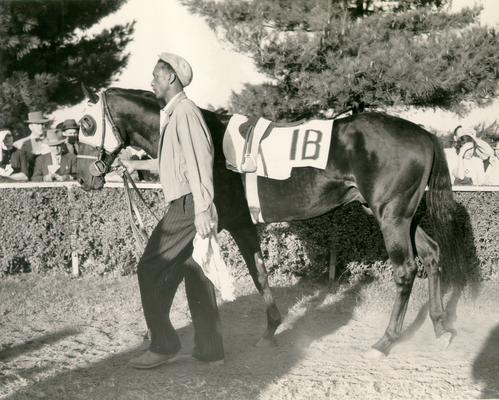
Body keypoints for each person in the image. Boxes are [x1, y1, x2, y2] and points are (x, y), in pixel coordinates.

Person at [120, 53, 224, 369]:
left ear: (171, 79)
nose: (151, 81)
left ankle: (164, 344)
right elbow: (171, 164)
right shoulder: (176, 114)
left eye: (155, 75)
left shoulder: (186, 113)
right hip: (190, 203)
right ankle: (210, 351)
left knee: (150, 267)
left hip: (189, 205)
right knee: (196, 273)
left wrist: (203, 209)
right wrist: (133, 163)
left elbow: (199, 164)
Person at [14, 111, 51, 177]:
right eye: (37, 124)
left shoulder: (51, 143)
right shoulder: (19, 144)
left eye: (42, 124)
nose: (41, 126)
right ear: (30, 127)